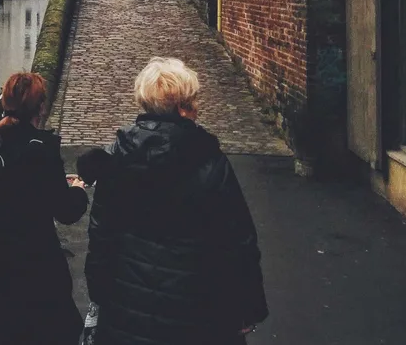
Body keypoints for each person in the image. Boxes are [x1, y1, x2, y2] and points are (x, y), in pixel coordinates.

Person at [77, 58, 268, 345]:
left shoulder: (117, 155)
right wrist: (247, 307)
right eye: (193, 101)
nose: (197, 108)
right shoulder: (209, 161)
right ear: (182, 108)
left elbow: (101, 235)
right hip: (195, 310)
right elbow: (237, 241)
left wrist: (100, 293)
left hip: (128, 306)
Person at [0, 72, 89, 344]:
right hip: (34, 268)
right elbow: (65, 211)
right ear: (41, 108)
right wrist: (78, 189)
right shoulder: (39, 150)